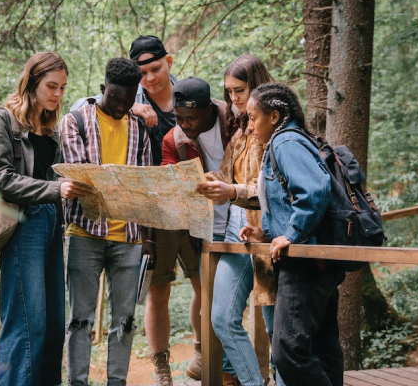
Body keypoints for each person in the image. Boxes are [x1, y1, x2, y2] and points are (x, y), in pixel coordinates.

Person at [72, 35, 203, 386]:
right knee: (156, 292)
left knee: (202, 282)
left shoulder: (190, 95)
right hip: (146, 216)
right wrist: (132, 108)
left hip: (189, 208)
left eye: (156, 69)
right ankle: (162, 370)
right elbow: (92, 109)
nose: (150, 78)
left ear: (169, 62)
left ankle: (204, 353)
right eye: (142, 72)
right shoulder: (129, 102)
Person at [0, 51, 83, 386]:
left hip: (53, 224)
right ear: (32, 83)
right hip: (22, 226)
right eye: (51, 86)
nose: (57, 94)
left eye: (62, 88)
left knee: (54, 324)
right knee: (28, 323)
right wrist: (55, 190)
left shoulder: (49, 127)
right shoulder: (3, 120)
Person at [240, 82, 346, 386]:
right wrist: (268, 234)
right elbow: (291, 199)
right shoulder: (295, 139)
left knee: (288, 351)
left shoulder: (285, 141)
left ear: (274, 116)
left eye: (253, 118)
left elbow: (313, 190)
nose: (249, 127)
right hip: (316, 259)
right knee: (322, 348)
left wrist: (293, 233)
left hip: (305, 263)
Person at [60, 58, 153, 386]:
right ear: (103, 90)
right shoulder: (76, 120)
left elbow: (142, 186)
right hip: (85, 233)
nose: (120, 106)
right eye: (114, 98)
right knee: (80, 319)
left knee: (124, 321)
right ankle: (78, 382)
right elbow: (78, 176)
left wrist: (148, 239)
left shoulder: (140, 126)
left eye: (128, 101)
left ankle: (117, 382)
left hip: (128, 236)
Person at [196, 55, 283, 386]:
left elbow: (271, 189)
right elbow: (225, 175)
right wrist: (204, 182)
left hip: (270, 233)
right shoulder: (240, 130)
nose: (234, 98)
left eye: (240, 90)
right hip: (236, 230)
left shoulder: (275, 129)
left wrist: (231, 189)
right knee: (221, 318)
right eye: (229, 91)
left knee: (277, 328)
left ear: (258, 86)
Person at [160, 76, 233, 384]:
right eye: (179, 118)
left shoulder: (234, 121)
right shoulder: (173, 139)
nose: (185, 124)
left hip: (244, 221)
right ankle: (216, 365)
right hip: (206, 229)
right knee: (213, 300)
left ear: (208, 111)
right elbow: (169, 178)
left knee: (234, 302)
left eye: (192, 118)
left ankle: (229, 366)